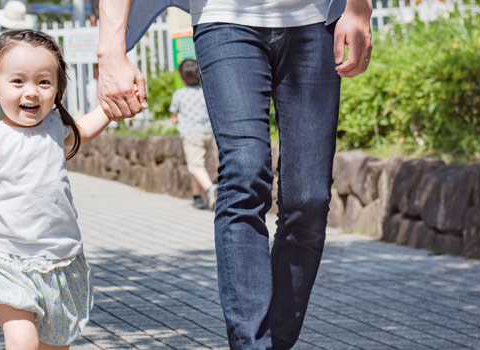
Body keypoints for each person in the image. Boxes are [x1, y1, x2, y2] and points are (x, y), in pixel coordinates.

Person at [98, 1, 374, 349]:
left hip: (314, 20)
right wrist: (110, 51)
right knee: (245, 171)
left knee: (310, 197)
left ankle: (275, 342)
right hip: (223, 17)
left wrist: (359, 7)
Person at [0, 29, 121, 350]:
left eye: (43, 81)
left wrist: (110, 107)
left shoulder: (53, 126)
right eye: (18, 81)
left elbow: (82, 131)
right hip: (5, 259)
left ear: (57, 89)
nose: (32, 91)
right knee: (22, 342)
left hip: (62, 259)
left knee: (55, 345)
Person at [169, 59, 215, 210]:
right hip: (208, 133)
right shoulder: (206, 91)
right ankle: (197, 197)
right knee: (198, 165)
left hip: (191, 134)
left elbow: (174, 117)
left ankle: (211, 190)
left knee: (195, 166)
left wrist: (175, 121)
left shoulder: (179, 94)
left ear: (181, 78)